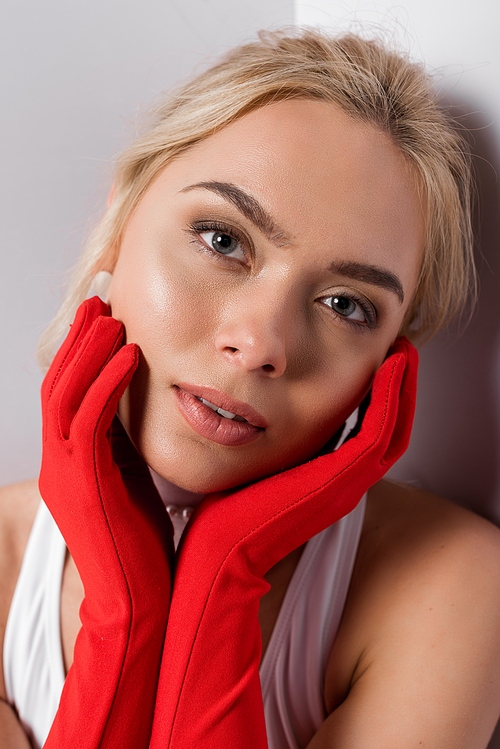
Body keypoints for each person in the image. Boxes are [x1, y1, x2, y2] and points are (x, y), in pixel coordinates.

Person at [1, 26, 500, 749]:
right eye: (223, 239)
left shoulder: (452, 588)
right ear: (121, 219)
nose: (262, 345)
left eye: (345, 305)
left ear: (389, 362)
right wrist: (126, 615)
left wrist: (221, 580)